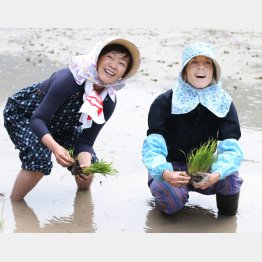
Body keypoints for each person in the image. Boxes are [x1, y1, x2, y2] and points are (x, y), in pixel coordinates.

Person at [3, 37, 141, 201]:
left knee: (89, 170)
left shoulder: (108, 101)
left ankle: (82, 206)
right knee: (38, 160)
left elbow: (86, 141)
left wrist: (85, 164)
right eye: (110, 57)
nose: (114, 65)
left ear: (123, 75)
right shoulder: (70, 80)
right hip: (25, 114)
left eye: (122, 64)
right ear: (97, 59)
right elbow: (37, 119)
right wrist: (55, 148)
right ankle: (14, 205)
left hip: (63, 124)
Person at [142, 42, 243, 216]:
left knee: (231, 179)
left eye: (207, 63)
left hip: (204, 170)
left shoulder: (223, 102)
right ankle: (164, 194)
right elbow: (152, 147)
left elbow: (231, 149)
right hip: (171, 168)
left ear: (214, 72)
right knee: (171, 203)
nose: (200, 68)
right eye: (194, 62)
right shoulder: (164, 102)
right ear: (184, 70)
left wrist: (216, 175)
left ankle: (227, 216)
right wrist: (164, 172)